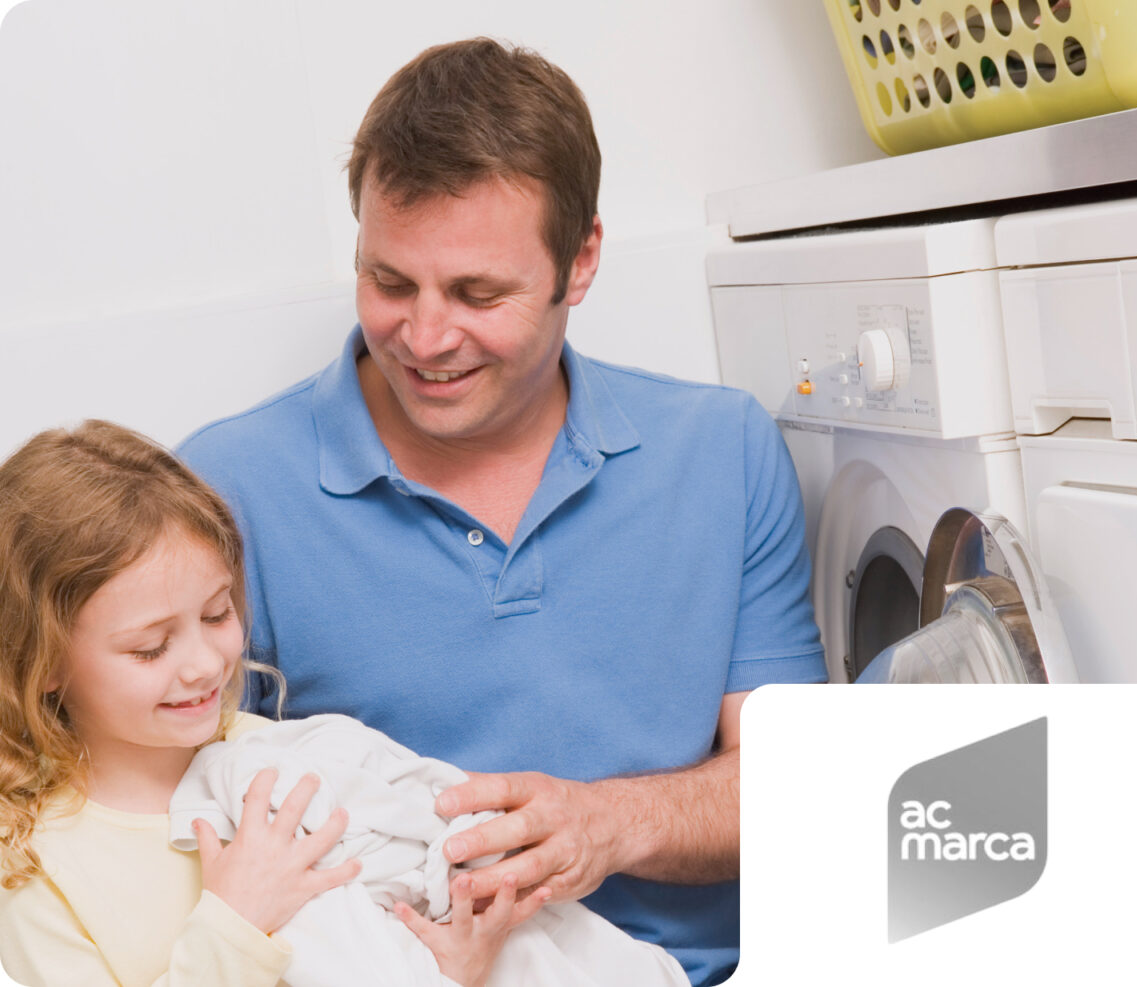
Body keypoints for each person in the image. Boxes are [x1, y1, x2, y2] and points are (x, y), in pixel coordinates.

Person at [179, 37, 825, 986]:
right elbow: (166, 823)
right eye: (389, 282)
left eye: (479, 293)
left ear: (583, 257)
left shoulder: (719, 450)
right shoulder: (227, 489)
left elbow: (801, 790)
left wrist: (608, 826)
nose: (426, 336)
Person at [0, 421, 550, 987]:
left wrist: (452, 969)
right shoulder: (29, 865)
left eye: (217, 614)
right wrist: (234, 922)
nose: (206, 665)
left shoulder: (285, 759)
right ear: (41, 660)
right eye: (150, 648)